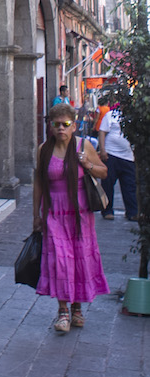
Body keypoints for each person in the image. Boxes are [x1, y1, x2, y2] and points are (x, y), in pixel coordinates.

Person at [33, 102, 109, 333]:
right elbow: (38, 183)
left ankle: (77, 308)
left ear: (74, 126)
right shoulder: (43, 150)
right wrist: (36, 214)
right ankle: (63, 311)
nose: (60, 129)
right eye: (56, 125)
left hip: (80, 213)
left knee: (78, 258)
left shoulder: (83, 146)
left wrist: (87, 164)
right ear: (50, 127)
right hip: (54, 212)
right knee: (60, 259)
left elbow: (103, 171)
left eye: (65, 124)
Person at [98, 106, 138, 221]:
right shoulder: (111, 115)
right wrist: (102, 150)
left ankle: (132, 212)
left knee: (129, 185)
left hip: (128, 157)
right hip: (111, 155)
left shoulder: (134, 117)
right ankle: (107, 211)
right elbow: (102, 132)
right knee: (108, 184)